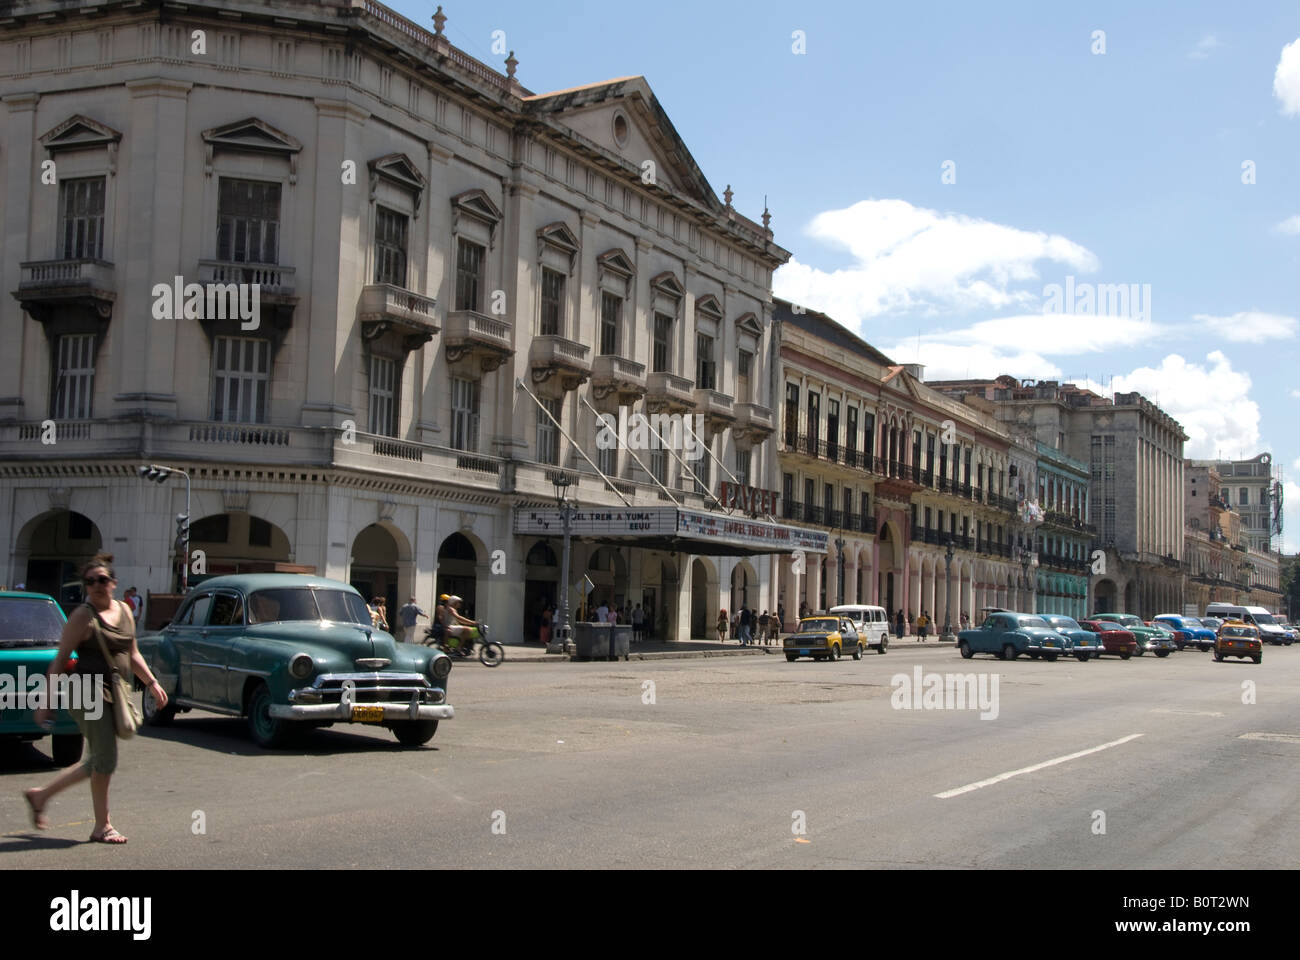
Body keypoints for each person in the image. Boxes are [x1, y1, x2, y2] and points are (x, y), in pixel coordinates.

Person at [24, 554, 168, 844]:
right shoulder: (82, 617)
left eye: (102, 580)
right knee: (105, 758)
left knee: (101, 758)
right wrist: (46, 701)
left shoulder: (125, 612)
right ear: (86, 587)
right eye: (90, 582)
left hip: (115, 690)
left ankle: (42, 796)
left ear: (113, 582)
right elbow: (60, 660)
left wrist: (151, 683)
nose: (97, 586)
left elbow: (133, 653)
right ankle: (101, 825)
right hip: (85, 693)